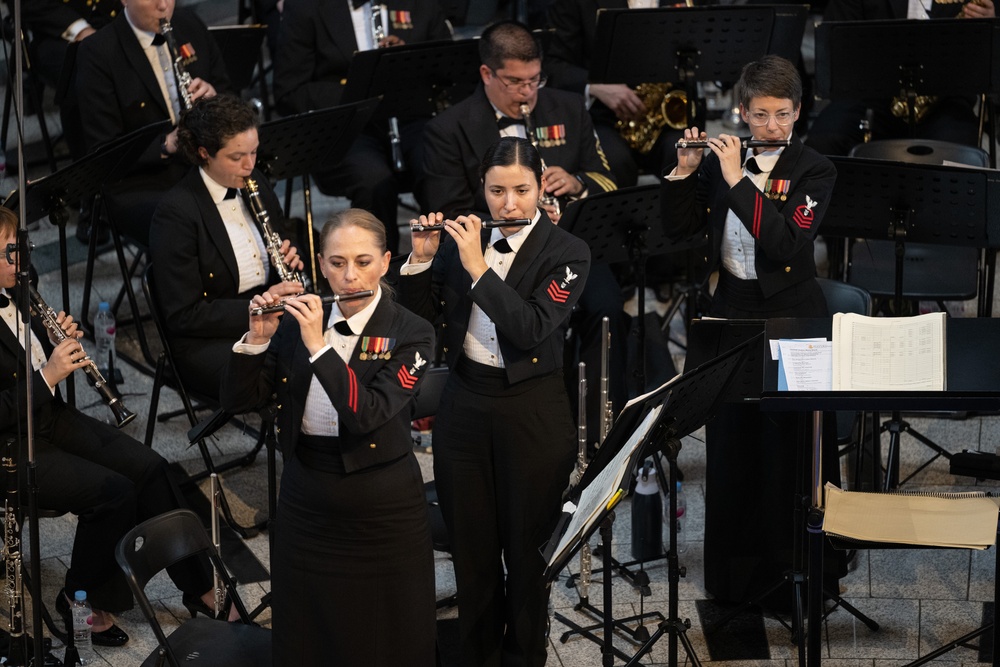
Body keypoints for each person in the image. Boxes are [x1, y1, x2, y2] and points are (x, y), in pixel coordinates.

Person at [398, 136, 590, 666]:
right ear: (481, 189)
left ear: (540, 183)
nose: (509, 204)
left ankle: (525, 658)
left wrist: (477, 266)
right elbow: (420, 320)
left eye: (521, 190)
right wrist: (419, 262)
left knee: (527, 558)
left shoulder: (568, 252)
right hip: (464, 406)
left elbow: (528, 328)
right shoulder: (468, 240)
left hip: (533, 411)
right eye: (497, 191)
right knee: (473, 553)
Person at [662, 55, 844, 604]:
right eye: (760, 115)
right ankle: (736, 577)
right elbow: (678, 230)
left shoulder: (815, 169)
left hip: (792, 316)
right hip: (730, 313)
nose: (772, 127)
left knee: (788, 447)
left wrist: (738, 179)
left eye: (782, 115)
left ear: (798, 111)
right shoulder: (723, 163)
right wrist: (686, 172)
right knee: (733, 445)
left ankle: (796, 570)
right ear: (742, 112)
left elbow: (786, 244)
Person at [220, 209, 436, 667]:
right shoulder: (303, 320)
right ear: (321, 264)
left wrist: (318, 345)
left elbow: (367, 413)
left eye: (362, 261)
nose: (349, 275)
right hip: (307, 495)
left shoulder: (412, 332)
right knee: (305, 626)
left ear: (384, 262)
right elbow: (241, 400)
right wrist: (257, 340)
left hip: (381, 505)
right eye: (337, 263)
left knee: (384, 633)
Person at [0, 207, 223, 649]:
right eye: (9, 253)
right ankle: (77, 595)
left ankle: (200, 588)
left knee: (152, 467)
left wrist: (54, 340)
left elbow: (24, 355)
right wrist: (49, 375)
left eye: (19, 248)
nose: (21, 260)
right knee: (112, 492)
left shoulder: (20, 288)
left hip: (46, 418)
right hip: (8, 441)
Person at [419, 20, 627, 450]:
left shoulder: (568, 107)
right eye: (515, 82)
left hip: (569, 247)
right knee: (523, 322)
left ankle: (597, 436)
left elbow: (608, 177)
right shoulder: (448, 128)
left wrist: (576, 183)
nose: (527, 93)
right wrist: (518, 211)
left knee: (606, 308)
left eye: (535, 80)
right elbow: (453, 211)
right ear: (486, 75)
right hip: (497, 255)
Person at [149, 94, 304, 401]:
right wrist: (260, 308)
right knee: (298, 370)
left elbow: (280, 239)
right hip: (209, 338)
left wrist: (289, 258)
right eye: (236, 157)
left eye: (254, 153)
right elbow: (183, 315)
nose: (249, 165)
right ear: (204, 153)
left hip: (270, 315)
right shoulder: (176, 213)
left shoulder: (255, 181)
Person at [273, 0, 452, 254]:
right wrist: (361, 85)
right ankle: (383, 277)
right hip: (346, 127)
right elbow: (289, 91)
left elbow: (445, 70)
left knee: (441, 162)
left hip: (409, 117)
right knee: (374, 180)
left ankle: (449, 264)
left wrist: (407, 61)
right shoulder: (306, 6)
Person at [74, 0, 231, 244]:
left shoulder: (189, 23)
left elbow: (228, 93)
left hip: (202, 164)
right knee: (189, 222)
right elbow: (104, 151)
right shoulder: (98, 52)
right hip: (139, 183)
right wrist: (165, 144)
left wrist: (214, 98)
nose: (163, 6)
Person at [804, 0, 994, 156]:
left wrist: (992, 26)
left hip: (945, 101)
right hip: (872, 98)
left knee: (957, 150)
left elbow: (991, 61)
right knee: (826, 137)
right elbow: (837, 41)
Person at [545, 0, 682, 189]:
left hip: (664, 117)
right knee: (614, 162)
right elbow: (552, 64)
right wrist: (596, 86)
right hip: (602, 116)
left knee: (686, 154)